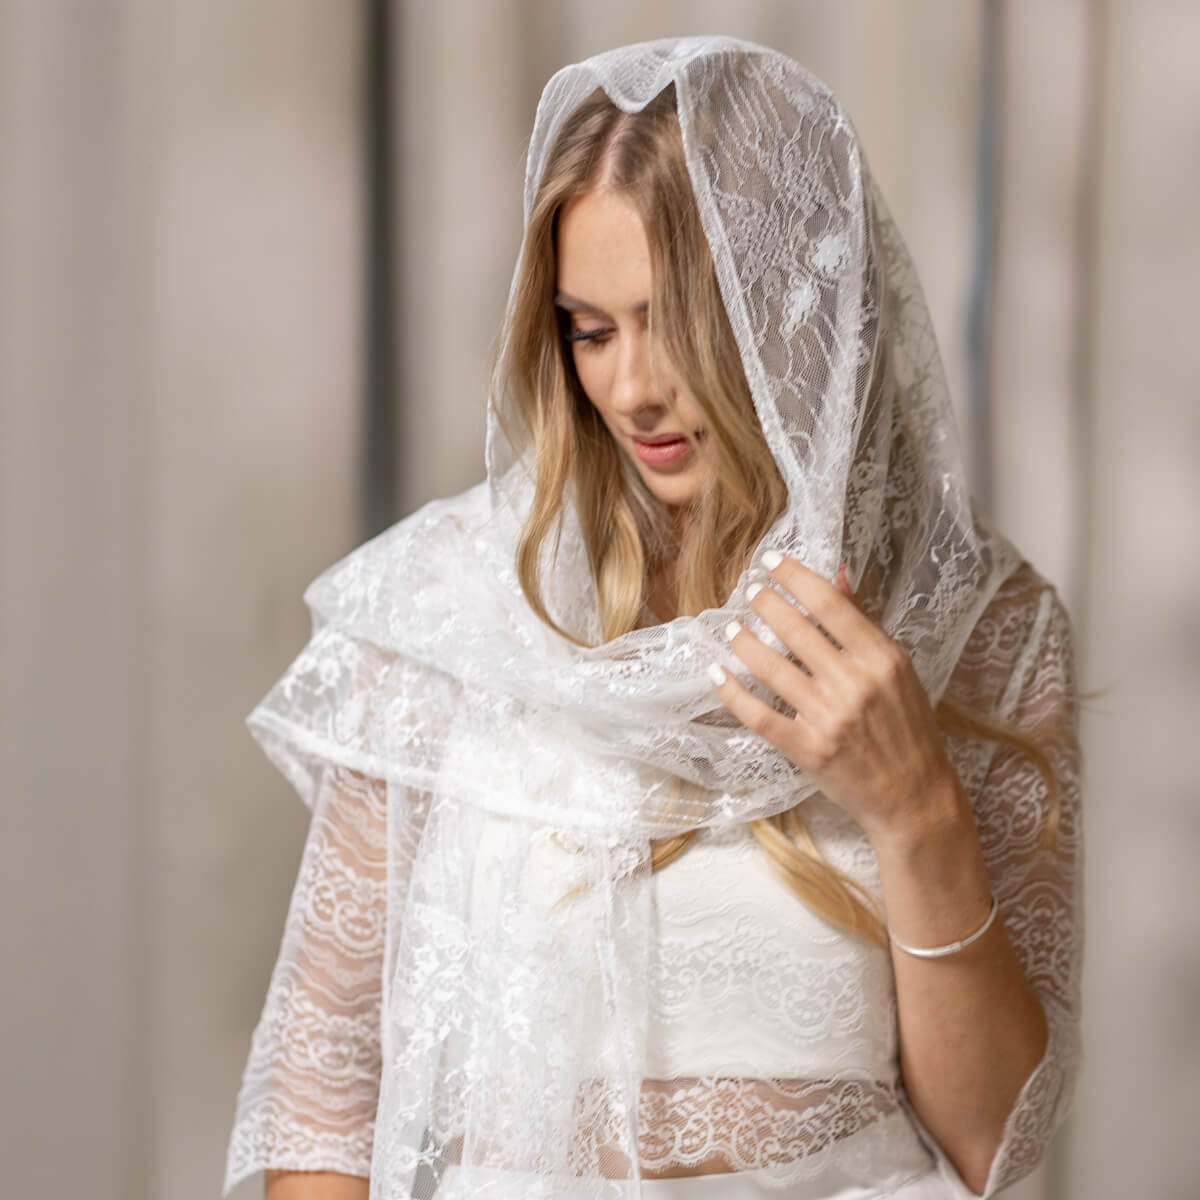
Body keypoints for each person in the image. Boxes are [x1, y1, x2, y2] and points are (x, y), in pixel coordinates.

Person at [223, 37, 1082, 1200]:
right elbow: (320, 1106)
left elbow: (998, 1146)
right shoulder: (445, 610)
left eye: (675, 318)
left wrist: (915, 806)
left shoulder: (978, 627)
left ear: (805, 309)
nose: (632, 389)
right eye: (590, 327)